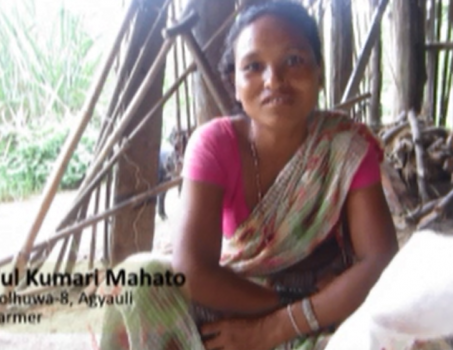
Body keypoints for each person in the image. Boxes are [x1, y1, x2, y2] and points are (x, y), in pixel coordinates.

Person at [99, 1, 398, 349]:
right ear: (235, 84)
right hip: (237, 301)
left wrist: (278, 328)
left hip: (322, 312)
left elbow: (378, 260)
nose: (274, 80)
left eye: (294, 60)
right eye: (254, 66)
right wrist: (284, 306)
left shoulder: (345, 147)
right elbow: (192, 269)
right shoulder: (214, 144)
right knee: (139, 278)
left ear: (318, 71)